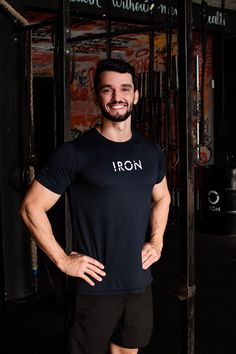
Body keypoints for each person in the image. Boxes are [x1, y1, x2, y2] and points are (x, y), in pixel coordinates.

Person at [19, 58, 171, 354]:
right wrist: (63, 260)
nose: (117, 98)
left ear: (136, 95)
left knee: (128, 350)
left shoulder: (151, 152)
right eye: (108, 90)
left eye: (125, 89)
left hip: (138, 282)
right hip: (94, 287)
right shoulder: (75, 153)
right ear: (97, 96)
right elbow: (30, 207)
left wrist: (157, 241)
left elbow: (162, 197)